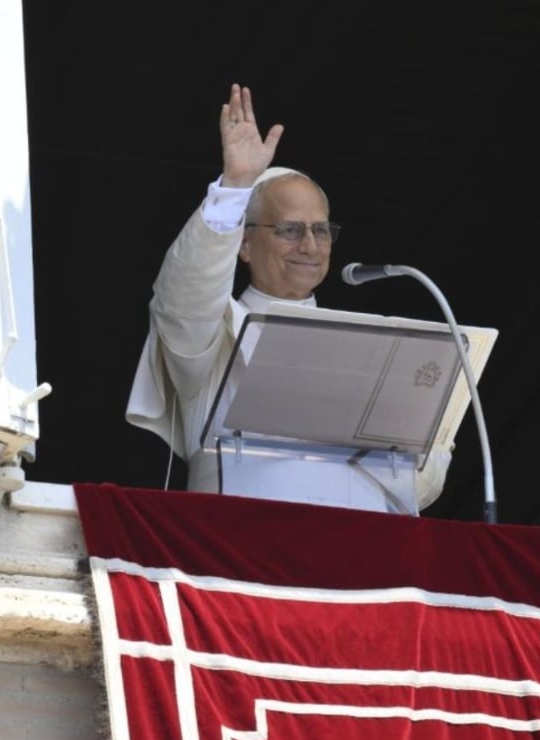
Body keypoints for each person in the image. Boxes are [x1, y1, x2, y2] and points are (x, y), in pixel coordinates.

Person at [125, 83, 451, 511]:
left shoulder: (367, 346)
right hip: (237, 540)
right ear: (244, 244)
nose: (310, 247)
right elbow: (186, 290)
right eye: (290, 230)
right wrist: (234, 187)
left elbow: (418, 483)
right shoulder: (211, 331)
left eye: (321, 230)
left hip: (361, 546)